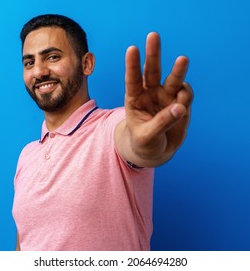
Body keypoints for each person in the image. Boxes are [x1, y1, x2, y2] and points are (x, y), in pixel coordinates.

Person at [12, 14, 193, 251]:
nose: (39, 71)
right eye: (29, 62)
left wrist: (147, 142)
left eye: (52, 57)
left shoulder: (112, 126)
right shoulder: (27, 156)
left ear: (86, 63)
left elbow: (137, 144)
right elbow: (24, 245)